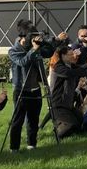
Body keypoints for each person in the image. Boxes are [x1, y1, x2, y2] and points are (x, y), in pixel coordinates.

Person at [8, 20, 65, 152]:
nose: (34, 39)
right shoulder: (13, 51)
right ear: (23, 37)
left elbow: (48, 52)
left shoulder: (37, 47)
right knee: (18, 121)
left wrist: (54, 41)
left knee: (33, 120)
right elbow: (22, 62)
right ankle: (14, 148)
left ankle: (31, 144)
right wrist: (34, 49)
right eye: (31, 36)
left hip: (36, 89)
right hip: (21, 89)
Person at [50, 45, 87, 138]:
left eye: (73, 53)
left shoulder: (70, 65)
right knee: (70, 125)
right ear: (63, 56)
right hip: (59, 104)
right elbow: (71, 73)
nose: (73, 56)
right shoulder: (58, 67)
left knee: (82, 122)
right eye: (70, 54)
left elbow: (82, 71)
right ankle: (58, 132)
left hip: (68, 104)